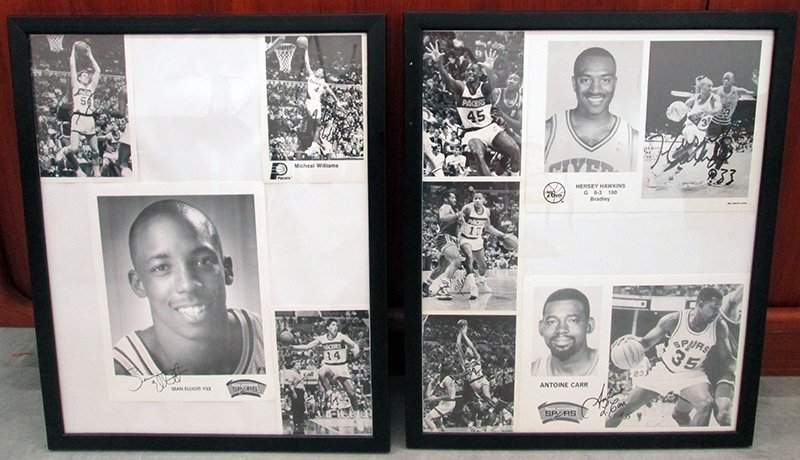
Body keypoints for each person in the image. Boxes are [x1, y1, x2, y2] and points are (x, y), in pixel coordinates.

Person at [112, 200, 265, 376]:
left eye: (202, 261)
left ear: (227, 269)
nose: (188, 284)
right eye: (162, 267)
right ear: (138, 284)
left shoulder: (267, 336)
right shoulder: (120, 371)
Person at [606, 286, 729, 428]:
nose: (717, 312)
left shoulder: (719, 326)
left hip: (692, 374)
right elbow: (646, 343)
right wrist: (632, 342)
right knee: (620, 411)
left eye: (719, 307)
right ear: (700, 303)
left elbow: (726, 358)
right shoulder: (673, 320)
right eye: (714, 307)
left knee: (706, 404)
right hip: (664, 371)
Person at [425, 41, 521, 176]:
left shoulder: (484, 88)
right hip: (472, 132)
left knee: (515, 149)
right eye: (468, 70)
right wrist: (439, 63)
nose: (469, 72)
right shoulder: (461, 88)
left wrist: (489, 70)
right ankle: (489, 183)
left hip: (489, 128)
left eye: (473, 70)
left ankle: (511, 175)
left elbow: (492, 84)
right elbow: (448, 81)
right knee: (477, 153)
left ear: (479, 74)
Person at [545, 47, 638, 173]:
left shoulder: (633, 141)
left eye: (605, 80)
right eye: (585, 80)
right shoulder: (548, 133)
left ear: (614, 83)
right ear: (574, 83)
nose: (595, 89)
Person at [291, 318, 363, 420]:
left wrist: (356, 349)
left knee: (351, 393)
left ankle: (356, 414)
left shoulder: (342, 337)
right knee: (321, 371)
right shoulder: (322, 339)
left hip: (341, 366)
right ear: (328, 327)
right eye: (333, 325)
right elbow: (307, 346)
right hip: (329, 366)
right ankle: (330, 393)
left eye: (336, 325)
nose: (335, 327)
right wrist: (293, 347)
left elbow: (354, 344)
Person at [531, 288, 599, 377]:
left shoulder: (607, 366)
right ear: (541, 328)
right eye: (552, 321)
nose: (561, 329)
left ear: (589, 325)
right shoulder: (532, 371)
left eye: (572, 320)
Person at [458, 191, 512, 299]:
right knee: (469, 258)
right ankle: (473, 287)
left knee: (483, 266)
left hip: (477, 239)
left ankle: (481, 282)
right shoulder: (468, 208)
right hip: (465, 238)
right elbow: (458, 220)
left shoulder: (486, 211)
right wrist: (458, 233)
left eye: (479, 198)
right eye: (475, 198)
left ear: (484, 200)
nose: (477, 200)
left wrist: (502, 235)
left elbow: (488, 227)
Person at [706, 72, 756, 185]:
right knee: (716, 143)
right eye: (724, 78)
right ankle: (714, 155)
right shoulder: (717, 90)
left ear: (733, 81)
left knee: (726, 147)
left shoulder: (738, 91)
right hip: (715, 123)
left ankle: (715, 173)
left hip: (726, 124)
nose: (726, 81)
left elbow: (753, 94)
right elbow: (705, 94)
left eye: (728, 79)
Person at [300, 40, 343, 159]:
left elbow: (331, 92)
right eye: (318, 69)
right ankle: (314, 144)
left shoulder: (323, 82)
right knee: (313, 125)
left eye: (320, 70)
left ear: (322, 74)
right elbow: (307, 62)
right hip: (309, 102)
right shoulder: (311, 76)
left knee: (317, 125)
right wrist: (306, 50)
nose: (318, 70)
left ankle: (314, 145)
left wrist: (338, 101)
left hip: (317, 104)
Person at [422, 191, 462, 301]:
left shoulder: (451, 209)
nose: (455, 199)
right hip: (445, 237)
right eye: (453, 197)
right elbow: (443, 217)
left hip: (450, 238)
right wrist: (457, 215)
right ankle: (443, 289)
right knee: (456, 261)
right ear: (446, 199)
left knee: (442, 268)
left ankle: (425, 286)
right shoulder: (446, 206)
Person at [67, 41, 102, 167]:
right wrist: (73, 49)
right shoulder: (76, 86)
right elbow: (72, 66)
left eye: (88, 75)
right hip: (78, 118)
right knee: (74, 148)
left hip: (89, 119)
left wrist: (90, 55)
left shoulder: (91, 88)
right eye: (84, 75)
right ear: (79, 78)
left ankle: (97, 174)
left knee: (95, 150)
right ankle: (65, 151)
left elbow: (98, 70)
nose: (87, 76)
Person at [423, 363, 459, 431]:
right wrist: (429, 395)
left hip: (448, 403)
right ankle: (443, 430)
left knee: (427, 419)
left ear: (442, 371)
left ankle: (435, 432)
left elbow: (450, 397)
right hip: (445, 402)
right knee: (437, 417)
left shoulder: (447, 381)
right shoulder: (440, 377)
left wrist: (436, 398)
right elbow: (431, 384)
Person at [491, 72, 523, 146]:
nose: (511, 81)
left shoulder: (520, 100)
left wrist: (503, 115)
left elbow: (519, 124)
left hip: (509, 130)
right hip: (495, 128)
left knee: (523, 144)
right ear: (506, 81)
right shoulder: (497, 93)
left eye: (515, 80)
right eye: (510, 79)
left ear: (520, 84)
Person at [280, 358, 307, 434]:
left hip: (301, 390)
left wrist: (305, 391)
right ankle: (296, 422)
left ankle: (301, 421)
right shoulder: (292, 373)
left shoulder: (300, 374)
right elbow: (290, 384)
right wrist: (294, 392)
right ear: (294, 366)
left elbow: (302, 384)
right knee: (296, 407)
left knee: (301, 406)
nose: (299, 366)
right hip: (296, 390)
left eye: (299, 365)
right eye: (297, 365)